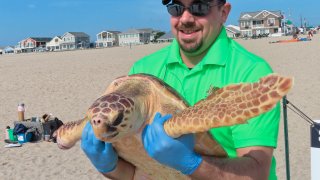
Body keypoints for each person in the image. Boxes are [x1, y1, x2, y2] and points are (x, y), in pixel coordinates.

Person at [81, 0, 280, 179]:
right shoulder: (141, 70)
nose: (185, 18)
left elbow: (257, 172)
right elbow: (137, 174)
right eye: (176, 7)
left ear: (224, 12)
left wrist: (191, 164)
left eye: (199, 7)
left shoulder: (251, 73)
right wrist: (109, 167)